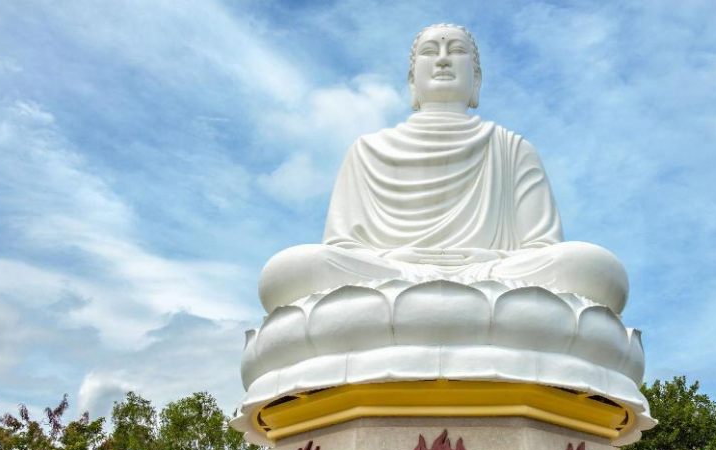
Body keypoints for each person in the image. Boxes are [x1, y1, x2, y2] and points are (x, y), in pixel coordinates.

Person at [258, 24, 629, 315]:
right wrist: (394, 261)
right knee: (293, 268)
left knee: (591, 266)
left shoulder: (511, 148)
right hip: (391, 274)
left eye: (457, 51)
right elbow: (342, 246)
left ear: (476, 79)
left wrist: (493, 261)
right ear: (412, 81)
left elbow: (541, 247)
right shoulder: (366, 150)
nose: (443, 61)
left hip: (489, 276)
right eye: (429, 52)